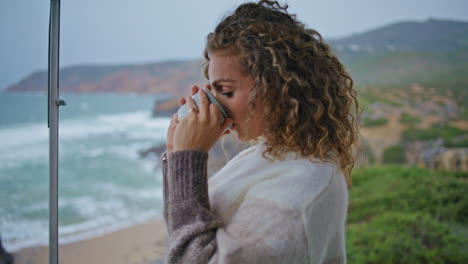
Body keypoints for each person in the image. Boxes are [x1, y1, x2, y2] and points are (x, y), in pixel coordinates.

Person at [162, 1, 359, 263]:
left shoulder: (297, 198)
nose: (214, 103)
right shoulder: (269, 155)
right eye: (212, 90)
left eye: (227, 91)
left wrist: (189, 158)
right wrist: (177, 154)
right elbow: (183, 233)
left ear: (275, 87)